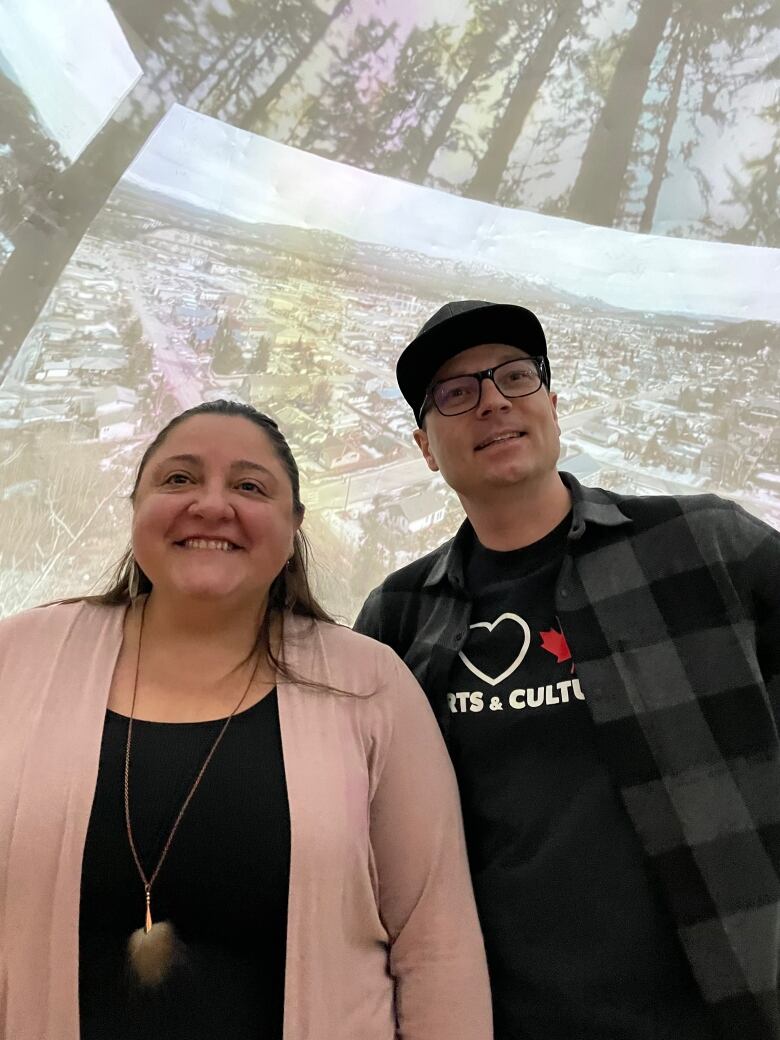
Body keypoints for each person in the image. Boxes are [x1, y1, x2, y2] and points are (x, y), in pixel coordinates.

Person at [0, 399, 492, 1040]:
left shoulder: (370, 686)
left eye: (249, 486)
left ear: (294, 526)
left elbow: (437, 947)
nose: (210, 505)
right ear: (135, 508)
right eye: (177, 479)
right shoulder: (18, 658)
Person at [355, 300, 780, 1040]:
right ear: (425, 446)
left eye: (515, 377)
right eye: (456, 393)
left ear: (552, 406)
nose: (492, 400)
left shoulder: (702, 547)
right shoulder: (396, 617)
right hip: (508, 1021)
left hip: (733, 1006)